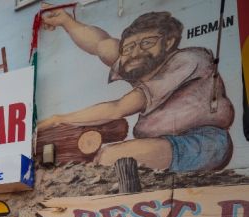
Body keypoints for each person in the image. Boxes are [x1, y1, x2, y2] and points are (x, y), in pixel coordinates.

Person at [37, 7, 234, 172]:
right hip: (161, 142)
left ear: (169, 42)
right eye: (129, 48)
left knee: (111, 156)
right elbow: (101, 45)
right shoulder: (141, 63)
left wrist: (59, 119)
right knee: (111, 156)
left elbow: (119, 108)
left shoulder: (188, 60)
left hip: (203, 142)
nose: (135, 52)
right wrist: (66, 21)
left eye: (147, 43)